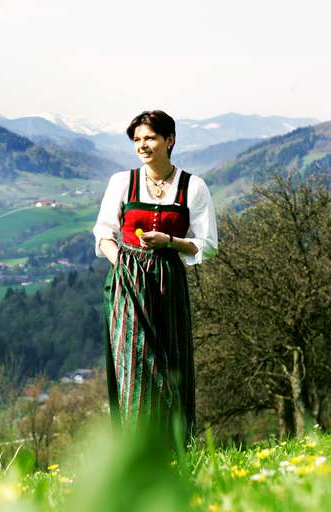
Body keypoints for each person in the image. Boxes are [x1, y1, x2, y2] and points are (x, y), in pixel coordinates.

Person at [93, 110, 218, 441]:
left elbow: (208, 245)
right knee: (134, 361)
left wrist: (170, 242)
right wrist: (122, 260)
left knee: (170, 362)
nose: (142, 146)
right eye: (137, 140)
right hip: (128, 279)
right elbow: (103, 233)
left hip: (168, 280)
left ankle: (175, 444)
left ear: (170, 140)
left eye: (149, 138)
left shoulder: (193, 187)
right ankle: (137, 450)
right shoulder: (122, 182)